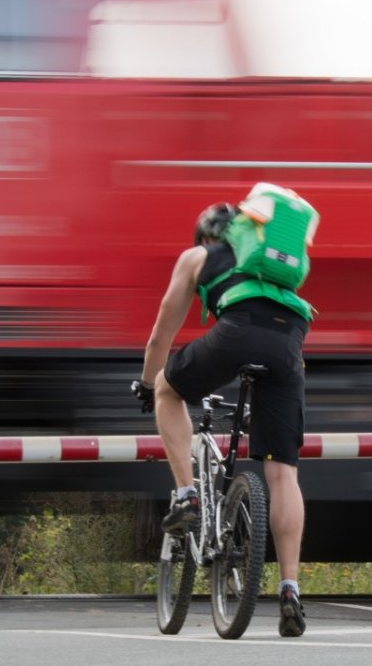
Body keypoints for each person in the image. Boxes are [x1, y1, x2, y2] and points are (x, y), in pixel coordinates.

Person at [131, 200, 310, 638]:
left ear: (205, 237)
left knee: (170, 392)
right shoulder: (270, 266)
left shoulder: (197, 257)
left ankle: (187, 495)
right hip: (290, 339)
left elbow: (162, 334)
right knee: (283, 473)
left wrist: (149, 383)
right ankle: (290, 589)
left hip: (238, 329)